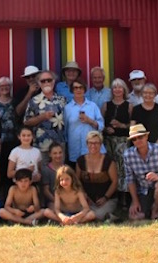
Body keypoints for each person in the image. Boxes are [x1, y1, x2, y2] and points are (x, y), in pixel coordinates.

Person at [123, 124, 158, 220]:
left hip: (157, 187)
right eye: (134, 139)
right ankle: (147, 210)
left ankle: (156, 210)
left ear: (146, 136)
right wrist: (135, 201)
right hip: (142, 191)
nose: (138, 141)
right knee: (134, 217)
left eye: (140, 137)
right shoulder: (128, 155)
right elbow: (130, 180)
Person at [101, 78, 132, 206]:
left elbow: (133, 125)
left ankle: (124, 197)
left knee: (123, 168)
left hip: (123, 141)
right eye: (115, 87)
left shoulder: (129, 106)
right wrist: (106, 128)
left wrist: (121, 125)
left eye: (120, 87)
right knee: (110, 168)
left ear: (124, 90)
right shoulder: (106, 105)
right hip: (109, 141)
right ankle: (112, 196)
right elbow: (100, 123)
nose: (117, 90)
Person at [76, 131, 118, 221]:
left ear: (101, 144)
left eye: (96, 143)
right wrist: (84, 195)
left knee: (98, 214)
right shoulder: (80, 161)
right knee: (77, 209)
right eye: (90, 143)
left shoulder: (109, 161)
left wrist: (105, 198)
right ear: (87, 144)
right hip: (87, 199)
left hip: (106, 199)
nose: (93, 146)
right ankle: (106, 217)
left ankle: (78, 221)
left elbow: (115, 182)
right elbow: (77, 181)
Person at [23, 70, 67, 156]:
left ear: (53, 81)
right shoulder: (34, 101)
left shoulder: (62, 100)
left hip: (59, 146)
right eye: (43, 81)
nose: (46, 82)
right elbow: (26, 122)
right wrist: (42, 117)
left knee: (60, 169)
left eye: (49, 80)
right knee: (42, 169)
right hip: (41, 146)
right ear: (39, 83)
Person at [64, 78, 105, 165]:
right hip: (75, 149)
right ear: (72, 90)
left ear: (84, 90)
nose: (78, 90)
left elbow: (101, 126)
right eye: (75, 88)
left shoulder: (92, 106)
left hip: (92, 149)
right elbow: (65, 130)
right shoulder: (67, 108)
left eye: (81, 87)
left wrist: (89, 121)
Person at [0, 76, 19, 194]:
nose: (4, 88)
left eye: (7, 86)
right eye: (2, 86)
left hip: (14, 140)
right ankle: (1, 193)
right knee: (0, 167)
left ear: (11, 87)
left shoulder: (15, 101)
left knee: (13, 166)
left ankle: (13, 192)